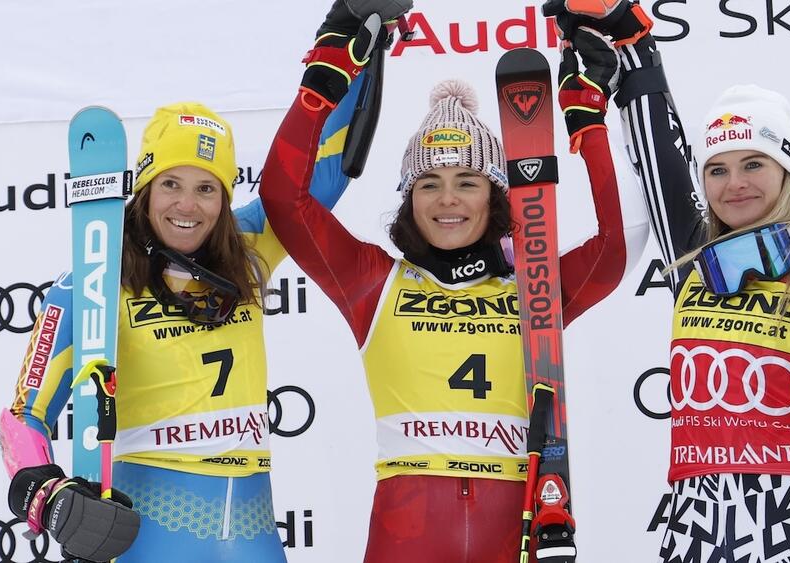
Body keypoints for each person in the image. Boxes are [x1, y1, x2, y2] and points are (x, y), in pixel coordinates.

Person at [259, 1, 647, 560]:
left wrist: (588, 122)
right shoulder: (373, 281)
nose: (447, 200)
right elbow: (284, 199)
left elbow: (622, 238)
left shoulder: (535, 288)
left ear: (495, 197)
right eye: (428, 183)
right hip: (407, 535)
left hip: (517, 527)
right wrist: (326, 71)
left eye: (467, 181)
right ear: (407, 199)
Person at [555, 2, 790, 561]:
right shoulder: (697, 266)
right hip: (694, 531)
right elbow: (661, 162)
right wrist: (634, 47)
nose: (734, 184)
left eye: (755, 164)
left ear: (786, 171)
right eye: (717, 170)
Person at [0, 97, 359, 562]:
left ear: (224, 198)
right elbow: (23, 416)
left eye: (207, 188)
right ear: (146, 187)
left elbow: (324, 175)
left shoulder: (250, 247)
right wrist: (44, 494)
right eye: (171, 183)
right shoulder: (91, 280)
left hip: (252, 532)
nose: (187, 205)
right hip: (150, 533)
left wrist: (349, 53)